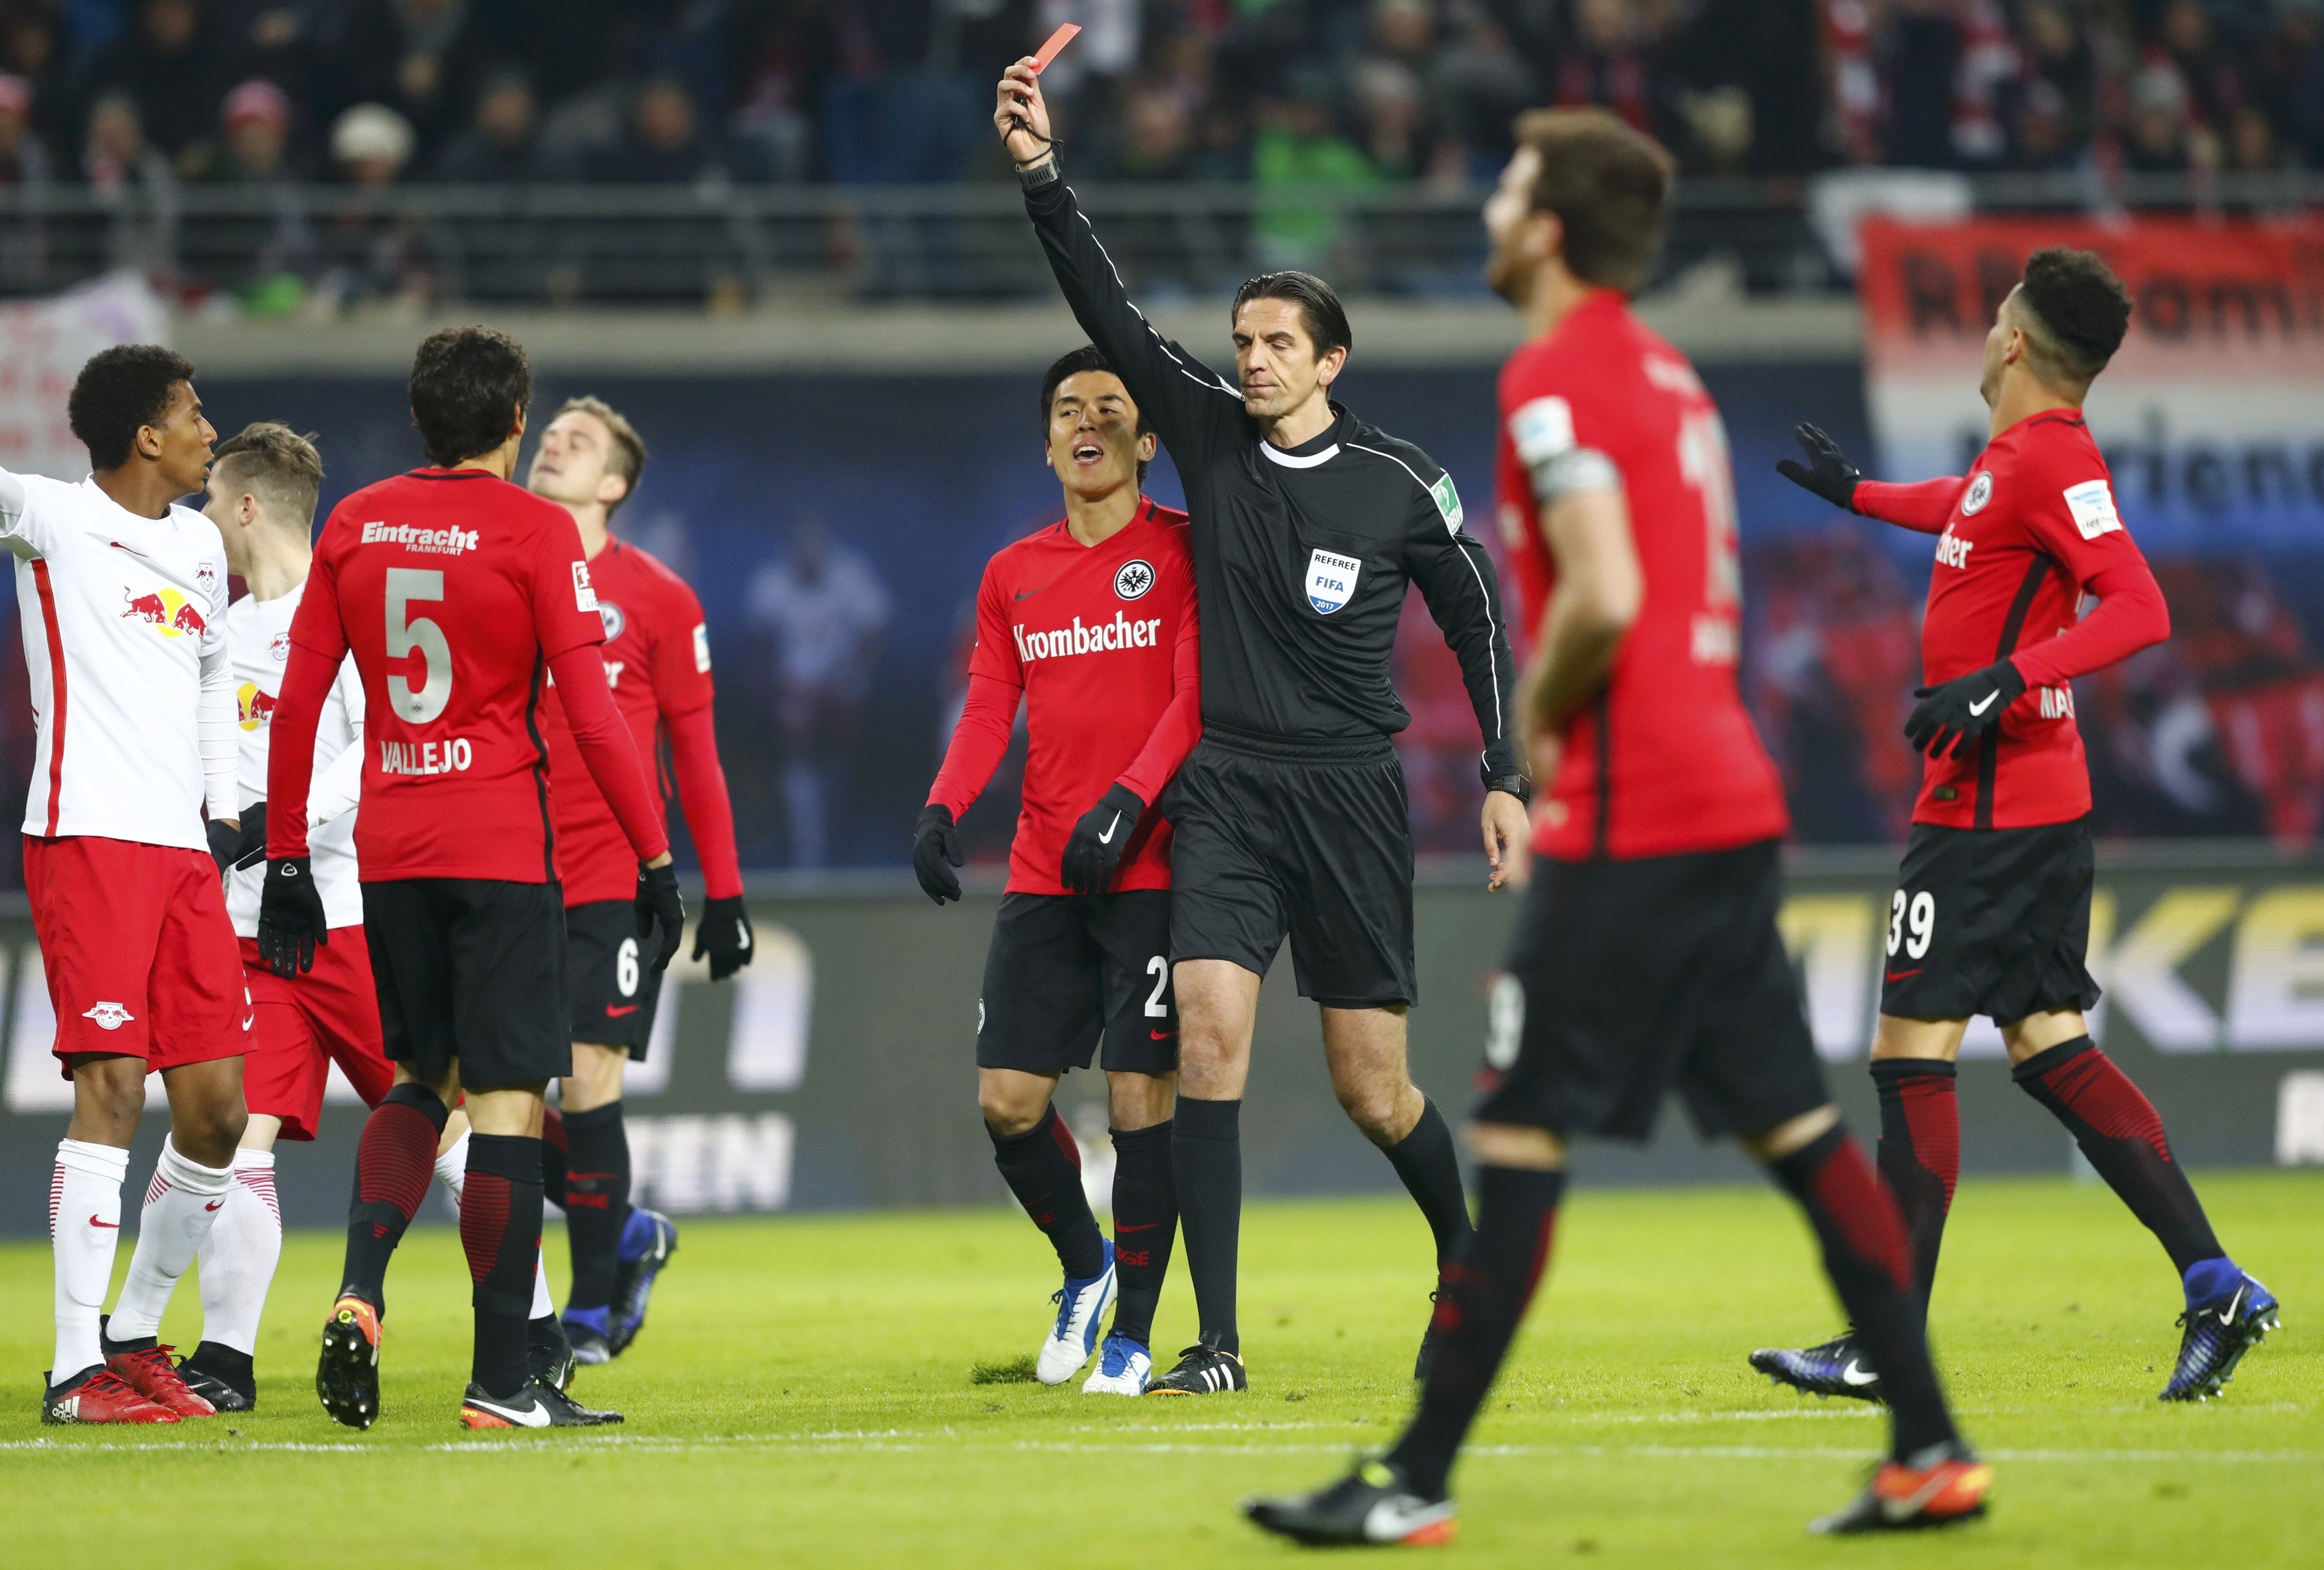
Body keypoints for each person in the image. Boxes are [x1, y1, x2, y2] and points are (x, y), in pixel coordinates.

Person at [1246, 108, 1989, 1545]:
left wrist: (1532, 734)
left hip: (1636, 814)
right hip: (1723, 798)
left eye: (1508, 188)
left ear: (1552, 230)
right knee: (1795, 1127)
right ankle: (1932, 1445)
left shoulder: (1557, 373)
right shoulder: (1665, 373)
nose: (1486, 210)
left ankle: (1409, 1482)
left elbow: (1600, 589)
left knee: (1521, 1134)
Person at [997, 59, 1531, 1399]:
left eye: (1276, 342)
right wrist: (1042, 178)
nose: (1250, 359)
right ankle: (1215, 1343)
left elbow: (1478, 623)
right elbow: (1105, 314)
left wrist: (1504, 773)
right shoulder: (1211, 437)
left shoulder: (1399, 482)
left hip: (1351, 796)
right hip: (1227, 791)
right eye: (1241, 340)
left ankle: (1465, 1259)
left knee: (1372, 1090)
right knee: (1213, 1047)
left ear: (1330, 361)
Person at [1754, 247, 2278, 1405]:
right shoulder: (2012, 462)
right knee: (2049, 1049)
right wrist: (1859, 497)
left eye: (1997, 316)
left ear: (2016, 344)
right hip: (2025, 802)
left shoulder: (2053, 459)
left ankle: (1885, 1341)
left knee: (1908, 1054)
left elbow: (2134, 603)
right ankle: (2216, 1280)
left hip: (1989, 807)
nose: (1986, 331)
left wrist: (2004, 678)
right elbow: (1965, 513)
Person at [260, 325, 686, 1431]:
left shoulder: (353, 521)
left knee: (416, 1077)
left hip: (392, 852)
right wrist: (652, 852)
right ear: (514, 422)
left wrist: (294, 855)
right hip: (499, 848)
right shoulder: (537, 530)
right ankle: (504, 1380)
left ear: (417, 417)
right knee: (504, 1104)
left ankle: (361, 1287)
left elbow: (301, 704)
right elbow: (592, 715)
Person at [913, 345, 1199, 1395]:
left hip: (1156, 868)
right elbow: (991, 706)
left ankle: (1132, 1333)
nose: (1089, 422)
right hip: (1043, 868)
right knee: (1008, 1103)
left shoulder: (1181, 553)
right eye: (1069, 410)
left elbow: (1194, 698)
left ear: (1148, 439)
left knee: (1140, 1101)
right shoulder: (1012, 573)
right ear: (1046, 444)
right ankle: (1084, 1270)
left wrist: (1129, 802)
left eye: (1111, 408)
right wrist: (945, 807)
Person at [6, 345, 244, 1425]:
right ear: (148, 435)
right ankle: (70, 1371)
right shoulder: (49, 517)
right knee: (111, 1087)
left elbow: (208, 684)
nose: (209, 429)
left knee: (218, 1113)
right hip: (87, 837)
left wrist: (226, 807)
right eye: (194, 413)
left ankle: (133, 1330)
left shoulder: (200, 544)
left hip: (182, 853)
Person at [528, 396, 752, 1363]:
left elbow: (695, 755)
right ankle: (621, 1232)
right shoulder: (499, 570)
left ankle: (585, 1314)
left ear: (614, 486)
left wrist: (727, 892)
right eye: (548, 438)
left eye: (578, 445)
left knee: (587, 1081)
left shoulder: (661, 599)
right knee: (469, 1093)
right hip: (504, 869)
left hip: (613, 874)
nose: (553, 448)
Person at [744, 517, 890, 869]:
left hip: (844, 687)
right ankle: (807, 845)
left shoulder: (850, 576)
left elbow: (873, 637)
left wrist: (841, 683)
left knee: (844, 734)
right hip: (793, 689)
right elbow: (759, 648)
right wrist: (785, 689)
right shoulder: (773, 583)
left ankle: (842, 836)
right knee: (796, 729)